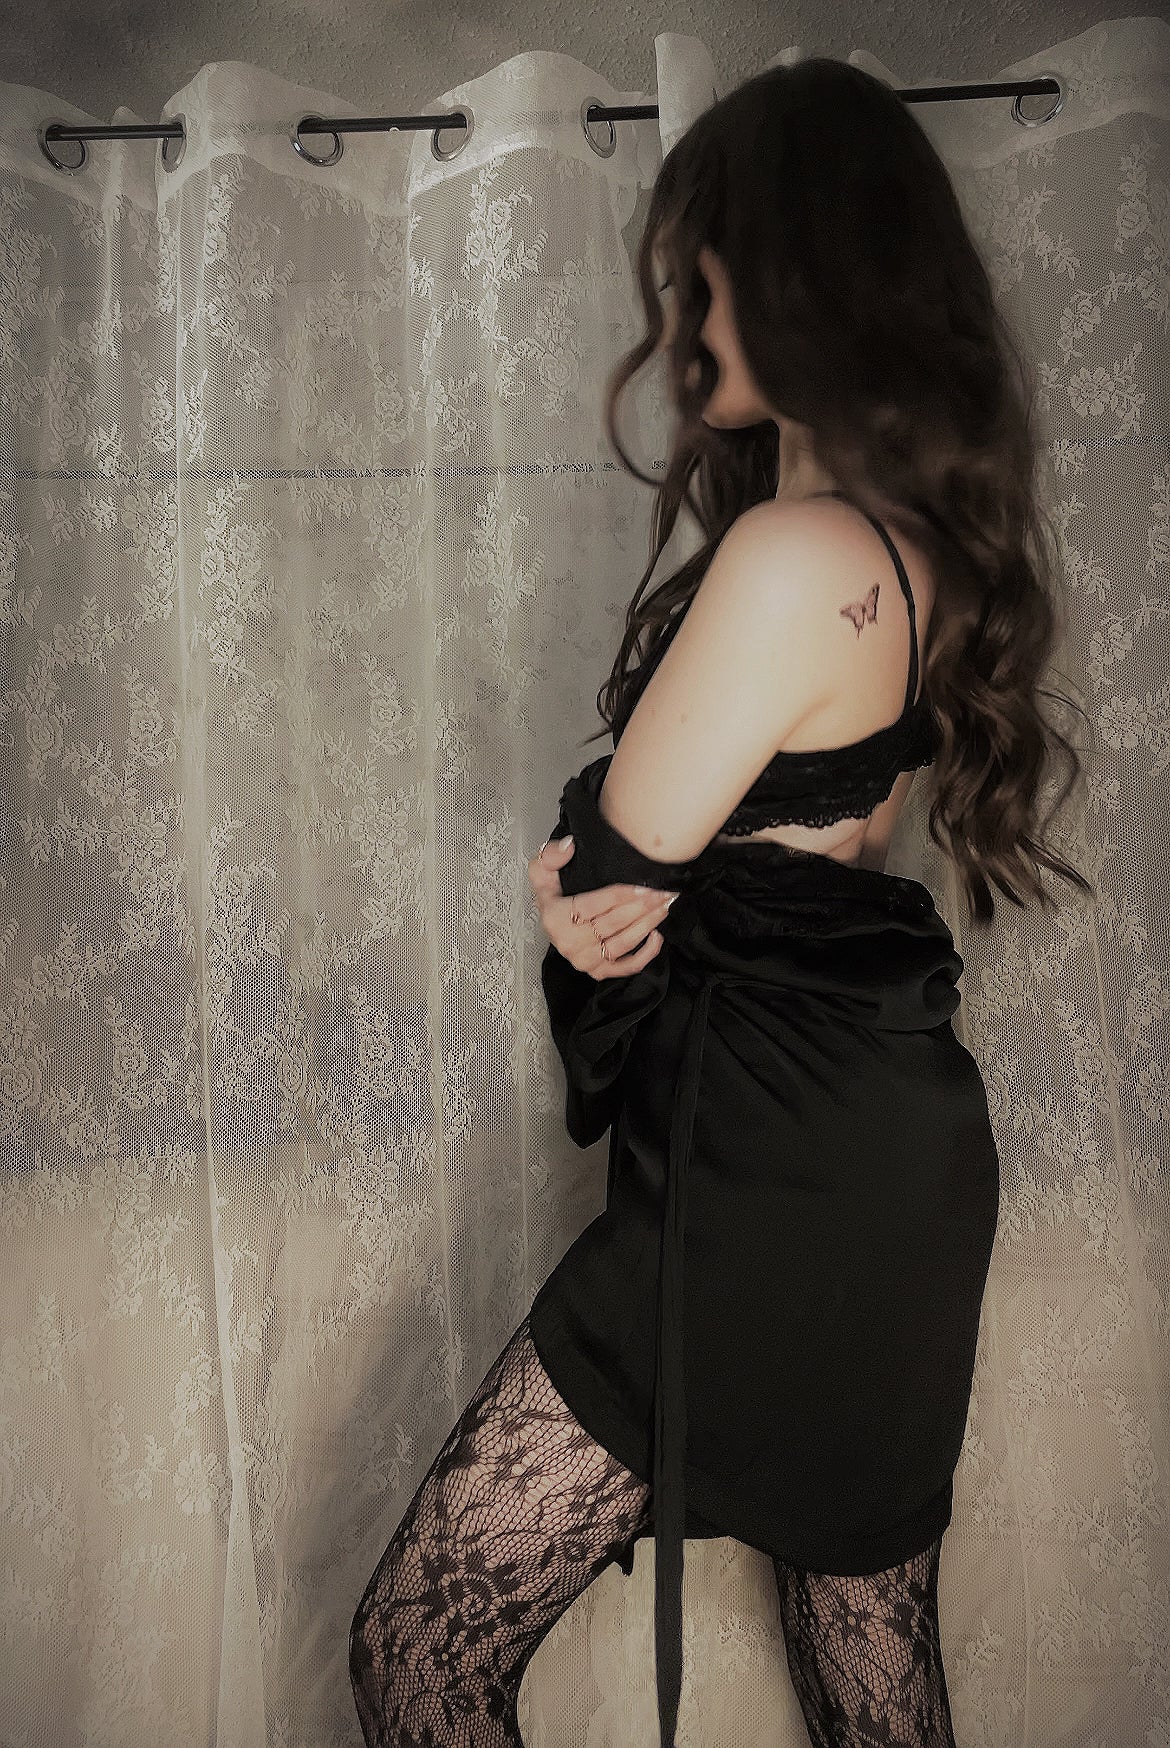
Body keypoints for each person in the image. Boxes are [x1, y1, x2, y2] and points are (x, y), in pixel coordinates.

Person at [349, 57, 1094, 1748]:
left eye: (703, 269)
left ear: (799, 272)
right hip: (868, 1150)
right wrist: (606, 886)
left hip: (777, 1167)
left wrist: (576, 881)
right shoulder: (906, 545)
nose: (680, 314)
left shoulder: (791, 558)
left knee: (418, 1653)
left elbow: (623, 864)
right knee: (867, 1675)